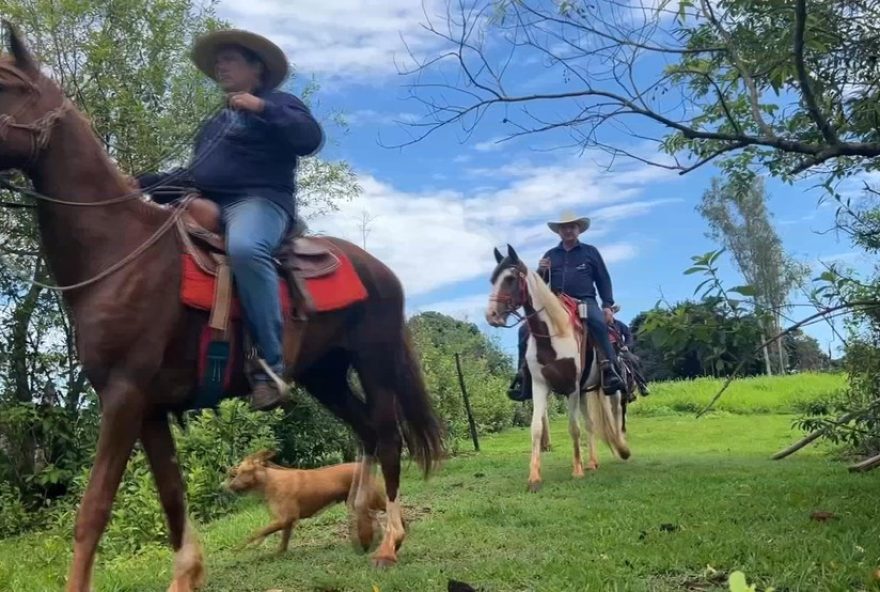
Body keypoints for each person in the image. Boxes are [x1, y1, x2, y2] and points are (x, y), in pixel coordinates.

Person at [134, 29, 325, 411]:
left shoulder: (280, 103)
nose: (220, 66)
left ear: (257, 68)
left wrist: (261, 108)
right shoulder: (214, 123)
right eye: (218, 61)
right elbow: (194, 174)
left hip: (259, 202)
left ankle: (270, 367)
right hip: (209, 202)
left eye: (230, 59)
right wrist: (137, 182)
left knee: (245, 248)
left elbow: (310, 138)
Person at [508, 211, 624, 401]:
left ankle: (609, 369)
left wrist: (607, 305)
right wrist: (541, 271)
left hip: (584, 300)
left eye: (572, 227)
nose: (568, 230)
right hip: (555, 303)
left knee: (598, 323)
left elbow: (603, 279)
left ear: (578, 230)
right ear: (559, 232)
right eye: (564, 228)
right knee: (524, 330)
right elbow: (540, 286)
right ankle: (523, 376)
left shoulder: (590, 252)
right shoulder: (550, 255)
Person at [609, 306, 650, 398]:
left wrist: (626, 346)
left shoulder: (620, 325)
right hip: (605, 350)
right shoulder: (600, 326)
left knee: (634, 360)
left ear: (612, 312)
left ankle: (641, 385)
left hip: (619, 349)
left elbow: (628, 336)